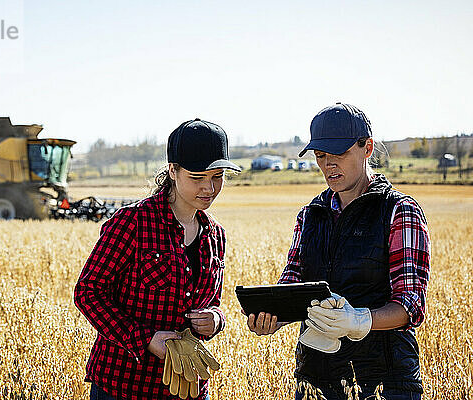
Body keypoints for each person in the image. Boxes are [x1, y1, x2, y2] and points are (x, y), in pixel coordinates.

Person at [245, 103, 430, 400]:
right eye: (321, 156)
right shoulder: (310, 215)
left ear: (367, 148)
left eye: (339, 154)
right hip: (315, 379)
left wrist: (360, 320)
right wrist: (273, 316)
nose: (329, 164)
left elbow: (410, 306)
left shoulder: (399, 211)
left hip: (384, 382)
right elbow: (292, 283)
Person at [75, 118, 241, 400]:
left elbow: (212, 302)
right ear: (173, 171)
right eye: (197, 178)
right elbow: (88, 292)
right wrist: (143, 339)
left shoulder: (216, 235)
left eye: (217, 177)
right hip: (123, 385)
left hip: (187, 385)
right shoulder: (132, 222)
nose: (209, 189)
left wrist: (215, 319)